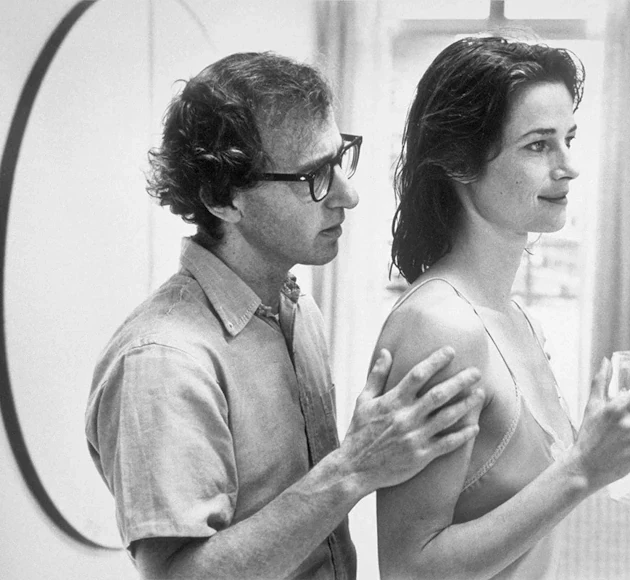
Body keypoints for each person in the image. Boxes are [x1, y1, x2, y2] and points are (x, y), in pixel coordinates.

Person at [85, 51, 486, 580]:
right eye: (312, 176)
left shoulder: (295, 309)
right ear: (223, 199)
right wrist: (354, 468)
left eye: (339, 160)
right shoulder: (162, 362)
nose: (347, 195)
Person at [373, 36, 630, 579]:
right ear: (460, 163)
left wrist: (607, 462)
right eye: (537, 146)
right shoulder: (439, 327)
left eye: (568, 139)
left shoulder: (518, 319)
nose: (568, 166)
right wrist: (583, 467)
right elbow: (409, 569)